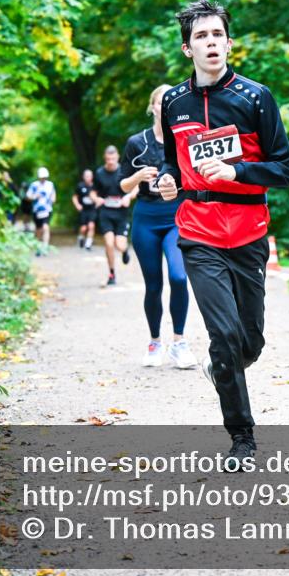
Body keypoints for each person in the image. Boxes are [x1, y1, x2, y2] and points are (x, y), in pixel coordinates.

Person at [157, 0, 289, 467]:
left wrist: (238, 172)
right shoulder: (174, 103)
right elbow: (171, 163)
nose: (211, 42)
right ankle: (242, 439)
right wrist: (167, 179)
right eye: (201, 36)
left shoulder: (256, 98)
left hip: (249, 231)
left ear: (229, 43)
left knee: (249, 340)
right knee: (224, 334)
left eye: (217, 34)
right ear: (188, 49)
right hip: (198, 233)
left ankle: (224, 366)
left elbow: (285, 169)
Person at [119, 85, 197, 370]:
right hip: (146, 217)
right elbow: (122, 185)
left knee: (178, 277)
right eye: (160, 103)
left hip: (177, 215)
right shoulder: (136, 143)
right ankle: (155, 343)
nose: (165, 107)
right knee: (153, 285)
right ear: (152, 107)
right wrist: (139, 176)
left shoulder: (185, 140)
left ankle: (179, 343)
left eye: (170, 103)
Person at [91, 146, 136, 285]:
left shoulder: (124, 171)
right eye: (108, 159)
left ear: (117, 157)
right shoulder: (99, 173)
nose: (110, 161)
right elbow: (93, 192)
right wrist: (96, 199)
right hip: (105, 212)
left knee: (119, 245)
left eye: (113, 158)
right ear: (105, 158)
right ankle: (112, 274)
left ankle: (124, 251)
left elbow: (136, 186)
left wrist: (128, 197)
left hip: (121, 212)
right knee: (109, 243)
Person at [26, 167, 56, 255]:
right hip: (37, 210)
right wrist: (35, 196)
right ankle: (38, 246)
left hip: (47, 209)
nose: (43, 179)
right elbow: (27, 197)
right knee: (38, 229)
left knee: (46, 227)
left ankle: (45, 246)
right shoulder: (34, 185)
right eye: (42, 177)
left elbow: (53, 194)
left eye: (44, 177)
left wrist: (53, 199)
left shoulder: (50, 185)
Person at [72, 169, 96, 250]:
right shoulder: (80, 186)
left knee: (91, 226)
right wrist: (77, 205)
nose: (88, 178)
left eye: (89, 176)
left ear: (92, 177)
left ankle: (88, 244)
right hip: (84, 210)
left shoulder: (95, 186)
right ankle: (81, 237)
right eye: (86, 176)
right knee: (83, 228)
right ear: (83, 177)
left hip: (92, 209)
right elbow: (75, 197)